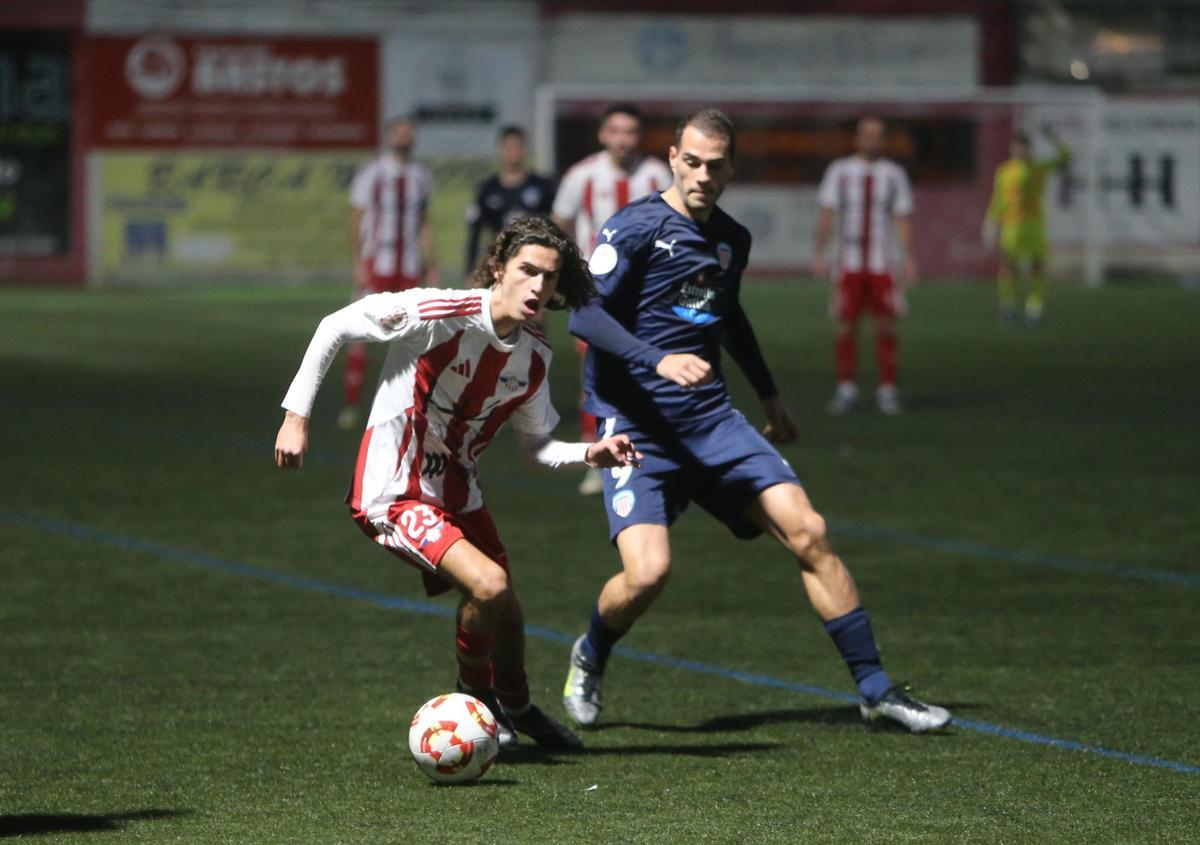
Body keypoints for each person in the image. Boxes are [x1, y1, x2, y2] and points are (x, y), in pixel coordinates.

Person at [560, 108, 950, 734]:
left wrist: (770, 397)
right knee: (648, 574)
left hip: (712, 422)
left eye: (716, 166)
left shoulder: (731, 239)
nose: (703, 175)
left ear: (731, 168)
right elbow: (583, 315)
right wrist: (656, 360)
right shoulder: (633, 227)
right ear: (672, 157)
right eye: (692, 161)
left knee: (809, 532)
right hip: (637, 431)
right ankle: (592, 652)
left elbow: (727, 316)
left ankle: (875, 689)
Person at [275, 215, 642, 752]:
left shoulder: (534, 359)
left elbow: (535, 449)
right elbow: (336, 324)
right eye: (527, 270)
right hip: (393, 490)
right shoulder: (436, 313)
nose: (538, 285)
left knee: (508, 609)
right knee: (488, 586)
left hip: (458, 492)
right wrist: (296, 416)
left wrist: (591, 453)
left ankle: (517, 706)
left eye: (550, 276)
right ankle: (475, 698)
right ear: (498, 269)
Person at [552, 103, 672, 495]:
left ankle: (648, 458)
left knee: (649, 374)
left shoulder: (657, 175)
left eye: (631, 132)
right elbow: (561, 227)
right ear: (603, 135)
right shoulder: (581, 176)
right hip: (596, 295)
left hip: (647, 294)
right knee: (596, 377)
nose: (623, 139)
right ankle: (596, 462)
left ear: (639, 136)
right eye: (616, 131)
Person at [339, 116, 441, 431]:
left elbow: (424, 221)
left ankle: (412, 404)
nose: (404, 138)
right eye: (399, 132)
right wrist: (358, 262)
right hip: (377, 264)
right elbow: (356, 218)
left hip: (408, 266)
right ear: (388, 137)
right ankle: (352, 402)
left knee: (415, 333)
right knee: (361, 332)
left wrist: (432, 262)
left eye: (409, 133)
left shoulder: (420, 176)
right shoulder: (371, 173)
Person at [813, 116, 917, 416]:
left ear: (883, 140)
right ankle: (846, 389)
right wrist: (820, 253)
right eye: (866, 134)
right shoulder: (840, 171)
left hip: (883, 263)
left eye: (877, 135)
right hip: (849, 261)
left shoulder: (894, 174)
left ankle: (887, 389)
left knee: (886, 326)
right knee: (846, 326)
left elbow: (902, 219)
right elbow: (827, 213)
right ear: (857, 139)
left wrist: (909, 259)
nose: (871, 140)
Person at [982, 127, 1072, 325]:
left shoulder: (1039, 167)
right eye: (1017, 147)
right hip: (1012, 226)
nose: (1021, 151)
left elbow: (1066, 154)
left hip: (1034, 225)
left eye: (1024, 147)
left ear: (1029, 149)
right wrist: (990, 222)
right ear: (1012, 149)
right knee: (1008, 267)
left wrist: (1053, 137)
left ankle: (1034, 309)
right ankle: (1008, 307)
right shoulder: (1005, 171)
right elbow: (998, 199)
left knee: (1037, 266)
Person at [464, 125, 556, 277]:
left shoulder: (541, 186)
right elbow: (476, 230)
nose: (513, 151)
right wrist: (470, 269)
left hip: (535, 261)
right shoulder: (488, 188)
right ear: (500, 149)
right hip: (500, 262)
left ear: (525, 149)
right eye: (508, 147)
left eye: (517, 146)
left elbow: (554, 226)